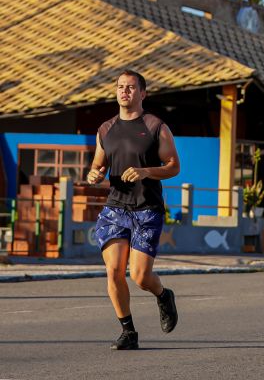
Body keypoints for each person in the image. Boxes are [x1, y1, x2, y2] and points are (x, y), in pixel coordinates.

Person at [87, 70, 180, 350]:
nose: (124, 91)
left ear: (143, 93)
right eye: (120, 87)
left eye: (130, 87)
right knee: (114, 270)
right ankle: (128, 331)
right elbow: (98, 164)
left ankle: (163, 295)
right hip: (115, 208)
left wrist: (145, 172)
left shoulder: (155, 126)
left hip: (147, 209)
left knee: (140, 276)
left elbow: (174, 166)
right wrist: (94, 174)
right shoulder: (105, 129)